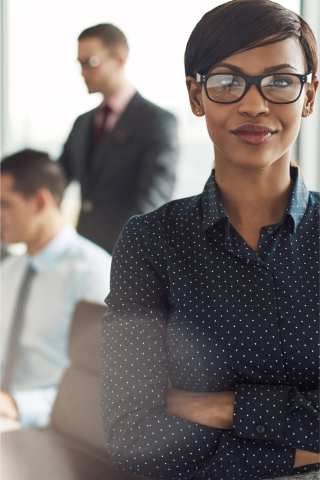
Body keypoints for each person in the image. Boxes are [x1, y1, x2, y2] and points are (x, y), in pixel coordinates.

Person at [100, 1, 320, 479]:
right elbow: (133, 439)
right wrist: (299, 453)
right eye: (227, 81)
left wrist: (228, 408)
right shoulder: (149, 244)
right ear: (196, 95)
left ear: (309, 94)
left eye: (280, 81)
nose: (254, 104)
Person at [1, 149, 111, 427]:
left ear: (39, 202)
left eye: (4, 204)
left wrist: (18, 405)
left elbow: (105, 387)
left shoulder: (95, 276)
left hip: (51, 428)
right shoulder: (10, 270)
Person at [59, 23, 179, 255]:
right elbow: (58, 178)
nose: (83, 72)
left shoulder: (157, 122)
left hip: (128, 256)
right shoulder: (83, 123)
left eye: (90, 62)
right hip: (83, 251)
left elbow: (153, 200)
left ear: (119, 59)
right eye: (79, 63)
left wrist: (130, 256)